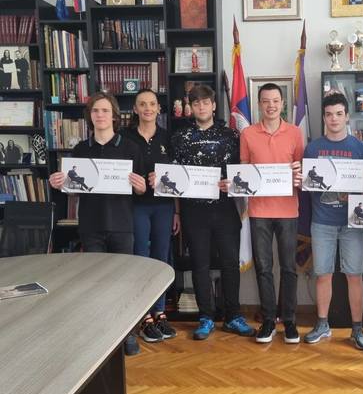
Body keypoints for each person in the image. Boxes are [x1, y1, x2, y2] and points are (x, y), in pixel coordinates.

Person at [49, 92, 147, 356]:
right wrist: (59, 183)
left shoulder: (130, 148)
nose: (100, 115)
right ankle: (103, 335)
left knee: (124, 282)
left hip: (122, 225)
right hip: (91, 225)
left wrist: (141, 186)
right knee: (96, 283)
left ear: (114, 115)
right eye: (95, 111)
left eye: (105, 110)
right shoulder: (81, 150)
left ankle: (127, 335)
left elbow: (141, 191)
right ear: (89, 116)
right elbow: (73, 189)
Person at [171, 84, 254, 341]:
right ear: (191, 107)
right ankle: (205, 317)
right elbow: (174, 177)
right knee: (200, 264)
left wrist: (232, 183)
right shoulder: (180, 137)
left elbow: (243, 170)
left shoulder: (231, 135)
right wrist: (176, 213)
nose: (201, 107)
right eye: (196, 103)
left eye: (206, 102)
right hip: (193, 211)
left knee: (230, 263)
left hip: (225, 208)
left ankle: (233, 316)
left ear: (214, 105)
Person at [303, 92, 363, 350]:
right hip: (322, 221)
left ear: (347, 117)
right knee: (323, 274)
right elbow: (307, 185)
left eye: (339, 114)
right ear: (324, 117)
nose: (334, 119)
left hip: (353, 221)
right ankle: (322, 324)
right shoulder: (313, 148)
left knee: (355, 275)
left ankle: (357, 329)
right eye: (329, 114)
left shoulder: (361, 148)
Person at [238, 82, 304, 344]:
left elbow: (301, 169)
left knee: (289, 267)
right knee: (264, 267)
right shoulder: (247, 134)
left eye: (275, 100)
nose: (271, 105)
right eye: (266, 101)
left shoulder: (295, 133)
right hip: (259, 210)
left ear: (282, 103)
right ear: (259, 104)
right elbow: (244, 169)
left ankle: (289, 321)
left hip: (288, 209)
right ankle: (268, 320)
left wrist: (298, 174)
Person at [123, 88, 179, 344]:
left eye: (152, 104)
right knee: (140, 258)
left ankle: (159, 311)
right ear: (135, 109)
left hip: (164, 207)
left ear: (158, 108)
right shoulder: (124, 138)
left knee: (161, 258)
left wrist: (177, 211)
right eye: (142, 104)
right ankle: (143, 315)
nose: (147, 108)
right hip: (136, 207)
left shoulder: (168, 138)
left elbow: (177, 177)